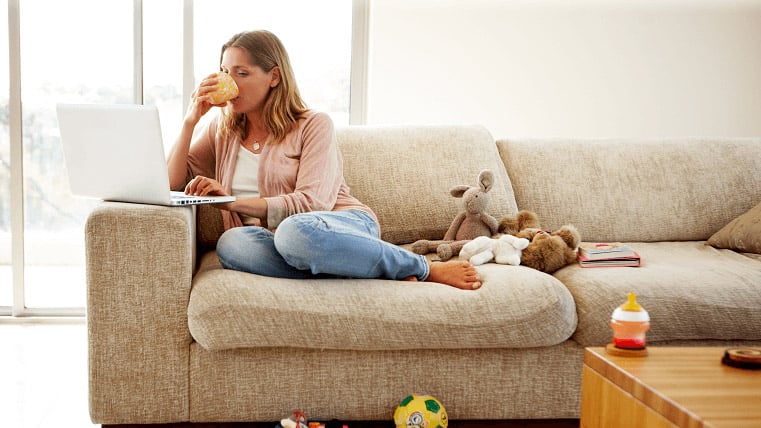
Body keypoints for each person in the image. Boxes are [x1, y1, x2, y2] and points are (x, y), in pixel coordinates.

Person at [167, 29, 481, 290]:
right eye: (224, 71)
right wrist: (190, 120)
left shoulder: (313, 124)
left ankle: (421, 266)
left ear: (274, 76)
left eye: (242, 72)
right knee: (232, 244)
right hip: (278, 243)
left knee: (293, 233)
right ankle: (362, 268)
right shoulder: (223, 131)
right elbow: (171, 182)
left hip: (336, 227)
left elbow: (310, 203)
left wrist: (231, 203)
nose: (230, 82)